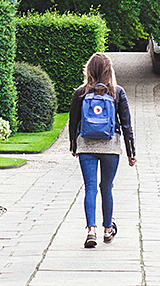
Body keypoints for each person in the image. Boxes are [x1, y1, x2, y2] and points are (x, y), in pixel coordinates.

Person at [69, 53, 136, 248]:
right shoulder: (117, 92)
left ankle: (91, 230)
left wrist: (74, 145)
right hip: (110, 146)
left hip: (86, 145)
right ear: (109, 70)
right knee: (106, 188)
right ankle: (108, 229)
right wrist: (131, 151)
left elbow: (73, 123)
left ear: (89, 70)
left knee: (90, 187)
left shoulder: (81, 92)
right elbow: (126, 125)